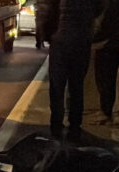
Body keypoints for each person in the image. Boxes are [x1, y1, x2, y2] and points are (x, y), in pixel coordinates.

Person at [45, 0, 103, 143]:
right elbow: (99, 8)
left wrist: (48, 35)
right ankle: (74, 129)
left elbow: (49, 11)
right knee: (76, 87)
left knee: (57, 87)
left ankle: (56, 128)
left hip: (61, 41)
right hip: (81, 42)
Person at [93, 0, 119, 121]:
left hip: (108, 44)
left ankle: (106, 112)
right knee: (107, 78)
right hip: (115, 42)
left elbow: (109, 22)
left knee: (104, 78)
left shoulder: (112, 4)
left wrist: (99, 40)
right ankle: (105, 110)